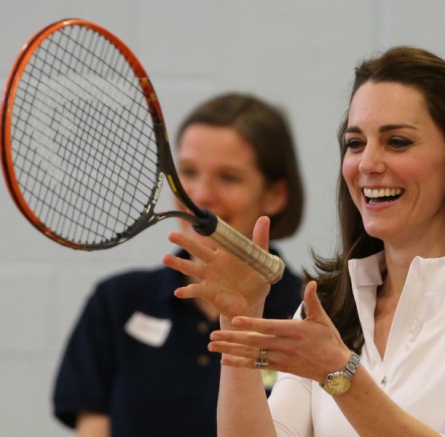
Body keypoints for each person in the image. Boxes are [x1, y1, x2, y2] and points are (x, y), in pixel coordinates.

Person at [162, 47, 445, 437]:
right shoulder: (330, 308)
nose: (367, 164)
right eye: (355, 143)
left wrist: (340, 373)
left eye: (397, 142)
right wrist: (240, 320)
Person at [52, 93, 305, 437]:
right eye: (187, 172)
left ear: (276, 194)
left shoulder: (312, 312)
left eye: (228, 177)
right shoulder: (118, 301)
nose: (200, 195)